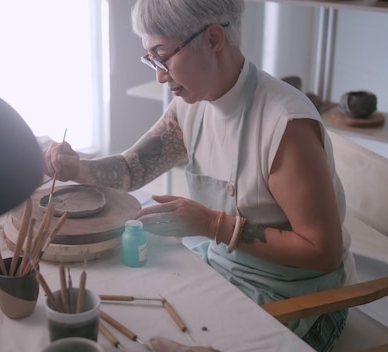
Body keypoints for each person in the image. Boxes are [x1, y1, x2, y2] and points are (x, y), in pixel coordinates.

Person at [43, 0, 356, 351]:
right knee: (133, 320)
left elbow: (323, 251)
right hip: (228, 272)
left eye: (163, 56)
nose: (160, 75)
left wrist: (212, 225)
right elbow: (132, 169)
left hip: (302, 295)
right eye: (151, 59)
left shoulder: (284, 125)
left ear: (213, 39)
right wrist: (79, 168)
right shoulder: (192, 107)